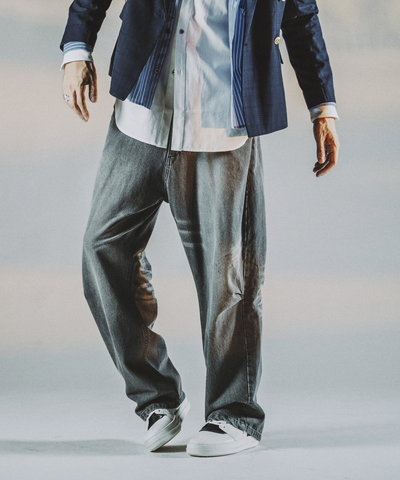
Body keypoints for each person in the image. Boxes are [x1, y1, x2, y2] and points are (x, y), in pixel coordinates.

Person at [59, 0, 340, 457]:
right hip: (144, 109)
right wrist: (76, 49)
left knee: (228, 276)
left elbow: (300, 15)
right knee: (103, 250)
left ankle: (235, 414)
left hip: (222, 119)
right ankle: (157, 398)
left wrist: (322, 106)